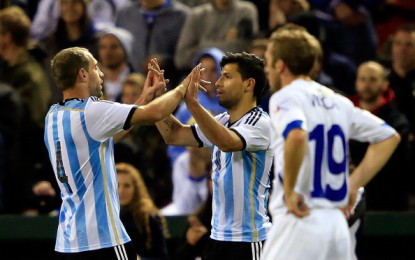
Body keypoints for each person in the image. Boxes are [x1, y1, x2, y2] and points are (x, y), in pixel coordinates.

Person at [261, 25, 400, 260]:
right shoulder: (339, 101)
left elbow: (297, 134)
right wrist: (353, 185)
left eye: (267, 61)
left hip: (300, 220)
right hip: (336, 224)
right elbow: (389, 137)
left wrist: (290, 191)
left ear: (280, 65)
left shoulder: (286, 97)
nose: (266, 69)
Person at [44, 46, 196, 259]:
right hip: (101, 237)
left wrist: (142, 99)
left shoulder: (54, 115)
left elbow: (108, 134)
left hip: (68, 242)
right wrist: (183, 88)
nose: (102, 74)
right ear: (83, 74)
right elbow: (156, 113)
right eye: (96, 68)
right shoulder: (91, 110)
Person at [156, 52, 273, 260]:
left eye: (227, 76)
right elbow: (174, 135)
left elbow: (228, 143)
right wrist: (156, 102)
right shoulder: (222, 121)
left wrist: (193, 104)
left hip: (249, 241)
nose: (218, 83)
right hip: (217, 237)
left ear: (249, 84)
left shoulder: (260, 122)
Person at [349, 61, 412, 211]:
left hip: (388, 199)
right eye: (362, 79)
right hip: (353, 200)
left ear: (385, 84)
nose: (367, 85)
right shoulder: (347, 115)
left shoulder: (397, 122)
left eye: (373, 79)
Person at [168, 47, 226, 164]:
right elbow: (175, 145)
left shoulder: (231, 105)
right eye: (203, 71)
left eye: (213, 70)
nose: (207, 76)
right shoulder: (187, 108)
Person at [174, 0, 258, 71]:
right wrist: (229, 45)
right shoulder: (197, 15)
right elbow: (181, 58)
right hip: (201, 76)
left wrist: (203, 45)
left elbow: (247, 51)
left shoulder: (246, 11)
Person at [117, 162, 169, 260]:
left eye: (127, 186)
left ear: (136, 189)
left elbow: (162, 256)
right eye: (117, 184)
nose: (121, 191)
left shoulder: (148, 218)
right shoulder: (101, 218)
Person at [98, 27, 135, 101]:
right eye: (103, 47)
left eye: (114, 47)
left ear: (125, 50)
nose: (107, 52)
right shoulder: (91, 82)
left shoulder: (138, 82)